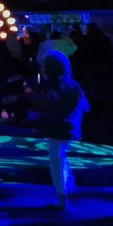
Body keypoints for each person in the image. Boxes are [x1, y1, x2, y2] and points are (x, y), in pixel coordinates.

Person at [38, 50, 90, 211]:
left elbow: (54, 106)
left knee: (56, 162)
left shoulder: (55, 85)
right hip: (73, 127)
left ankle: (62, 198)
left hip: (59, 128)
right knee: (61, 157)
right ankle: (70, 186)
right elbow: (87, 107)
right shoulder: (74, 83)